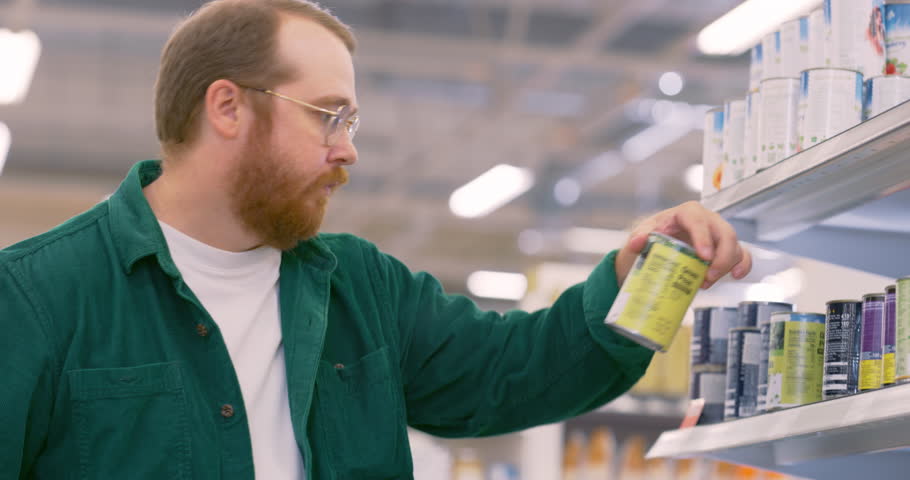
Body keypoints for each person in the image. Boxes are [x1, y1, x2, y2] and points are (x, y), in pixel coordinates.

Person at [0, 0, 751, 478]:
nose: (347, 149)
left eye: (350, 122)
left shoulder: (361, 289)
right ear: (227, 107)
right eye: (327, 115)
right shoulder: (37, 298)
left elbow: (520, 372)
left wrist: (645, 281)